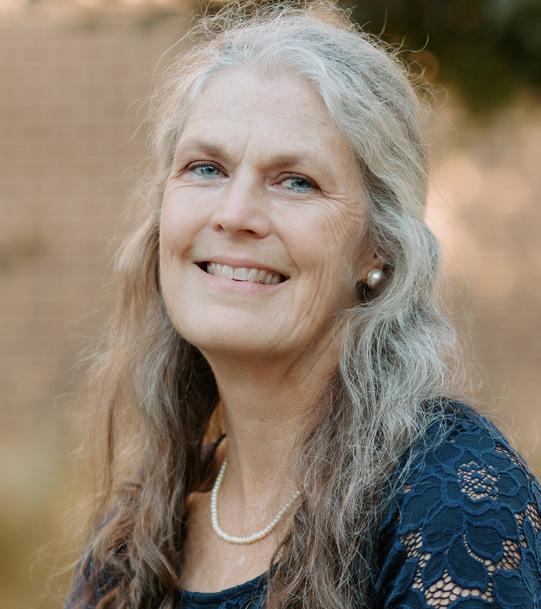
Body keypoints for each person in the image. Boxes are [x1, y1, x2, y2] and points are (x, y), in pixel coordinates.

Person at [65, 1, 541, 608]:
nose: (233, 214)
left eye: (296, 182)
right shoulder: (137, 537)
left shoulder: (453, 498)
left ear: (378, 250)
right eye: (205, 168)